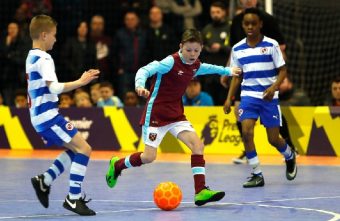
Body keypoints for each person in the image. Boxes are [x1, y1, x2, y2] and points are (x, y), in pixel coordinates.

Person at [105, 29, 241, 206]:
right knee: (148, 157)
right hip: (156, 113)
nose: (192, 54)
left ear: (201, 50)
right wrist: (139, 85)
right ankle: (117, 165)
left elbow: (208, 68)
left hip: (176, 114)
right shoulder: (170, 62)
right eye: (189, 50)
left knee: (197, 145)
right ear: (181, 47)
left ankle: (200, 191)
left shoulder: (195, 64)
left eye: (196, 50)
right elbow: (145, 70)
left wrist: (228, 71)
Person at [26, 14, 99, 216]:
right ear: (44, 35)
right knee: (84, 148)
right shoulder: (44, 57)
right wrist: (81, 82)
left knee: (76, 150)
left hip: (41, 117)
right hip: (47, 117)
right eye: (54, 35)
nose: (55, 39)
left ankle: (45, 180)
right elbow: (55, 87)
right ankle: (73, 199)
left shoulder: (31, 56)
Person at [224, 8, 297, 188]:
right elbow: (236, 75)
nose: (250, 27)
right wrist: (229, 98)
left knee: (273, 139)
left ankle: (289, 155)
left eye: (253, 23)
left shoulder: (272, 45)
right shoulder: (237, 49)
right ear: (242, 25)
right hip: (248, 95)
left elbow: (283, 70)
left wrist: (274, 87)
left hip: (268, 98)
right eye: (246, 24)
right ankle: (257, 174)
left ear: (260, 25)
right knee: (247, 132)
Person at [201, 1, 231, 105]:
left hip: (225, 73)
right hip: (210, 75)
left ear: (224, 12)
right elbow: (199, 48)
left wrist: (221, 47)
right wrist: (206, 48)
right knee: (210, 103)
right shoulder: (207, 29)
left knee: (225, 103)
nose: (215, 15)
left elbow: (237, 49)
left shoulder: (231, 28)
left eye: (218, 12)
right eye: (212, 12)